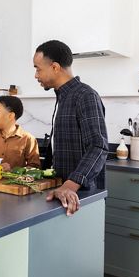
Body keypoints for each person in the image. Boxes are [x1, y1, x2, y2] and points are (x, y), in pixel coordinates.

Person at [33, 40, 109, 216]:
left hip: (79, 196)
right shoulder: (64, 97)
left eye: (38, 68)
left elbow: (99, 146)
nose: (36, 75)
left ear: (55, 67)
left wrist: (70, 185)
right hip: (64, 195)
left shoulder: (85, 96)